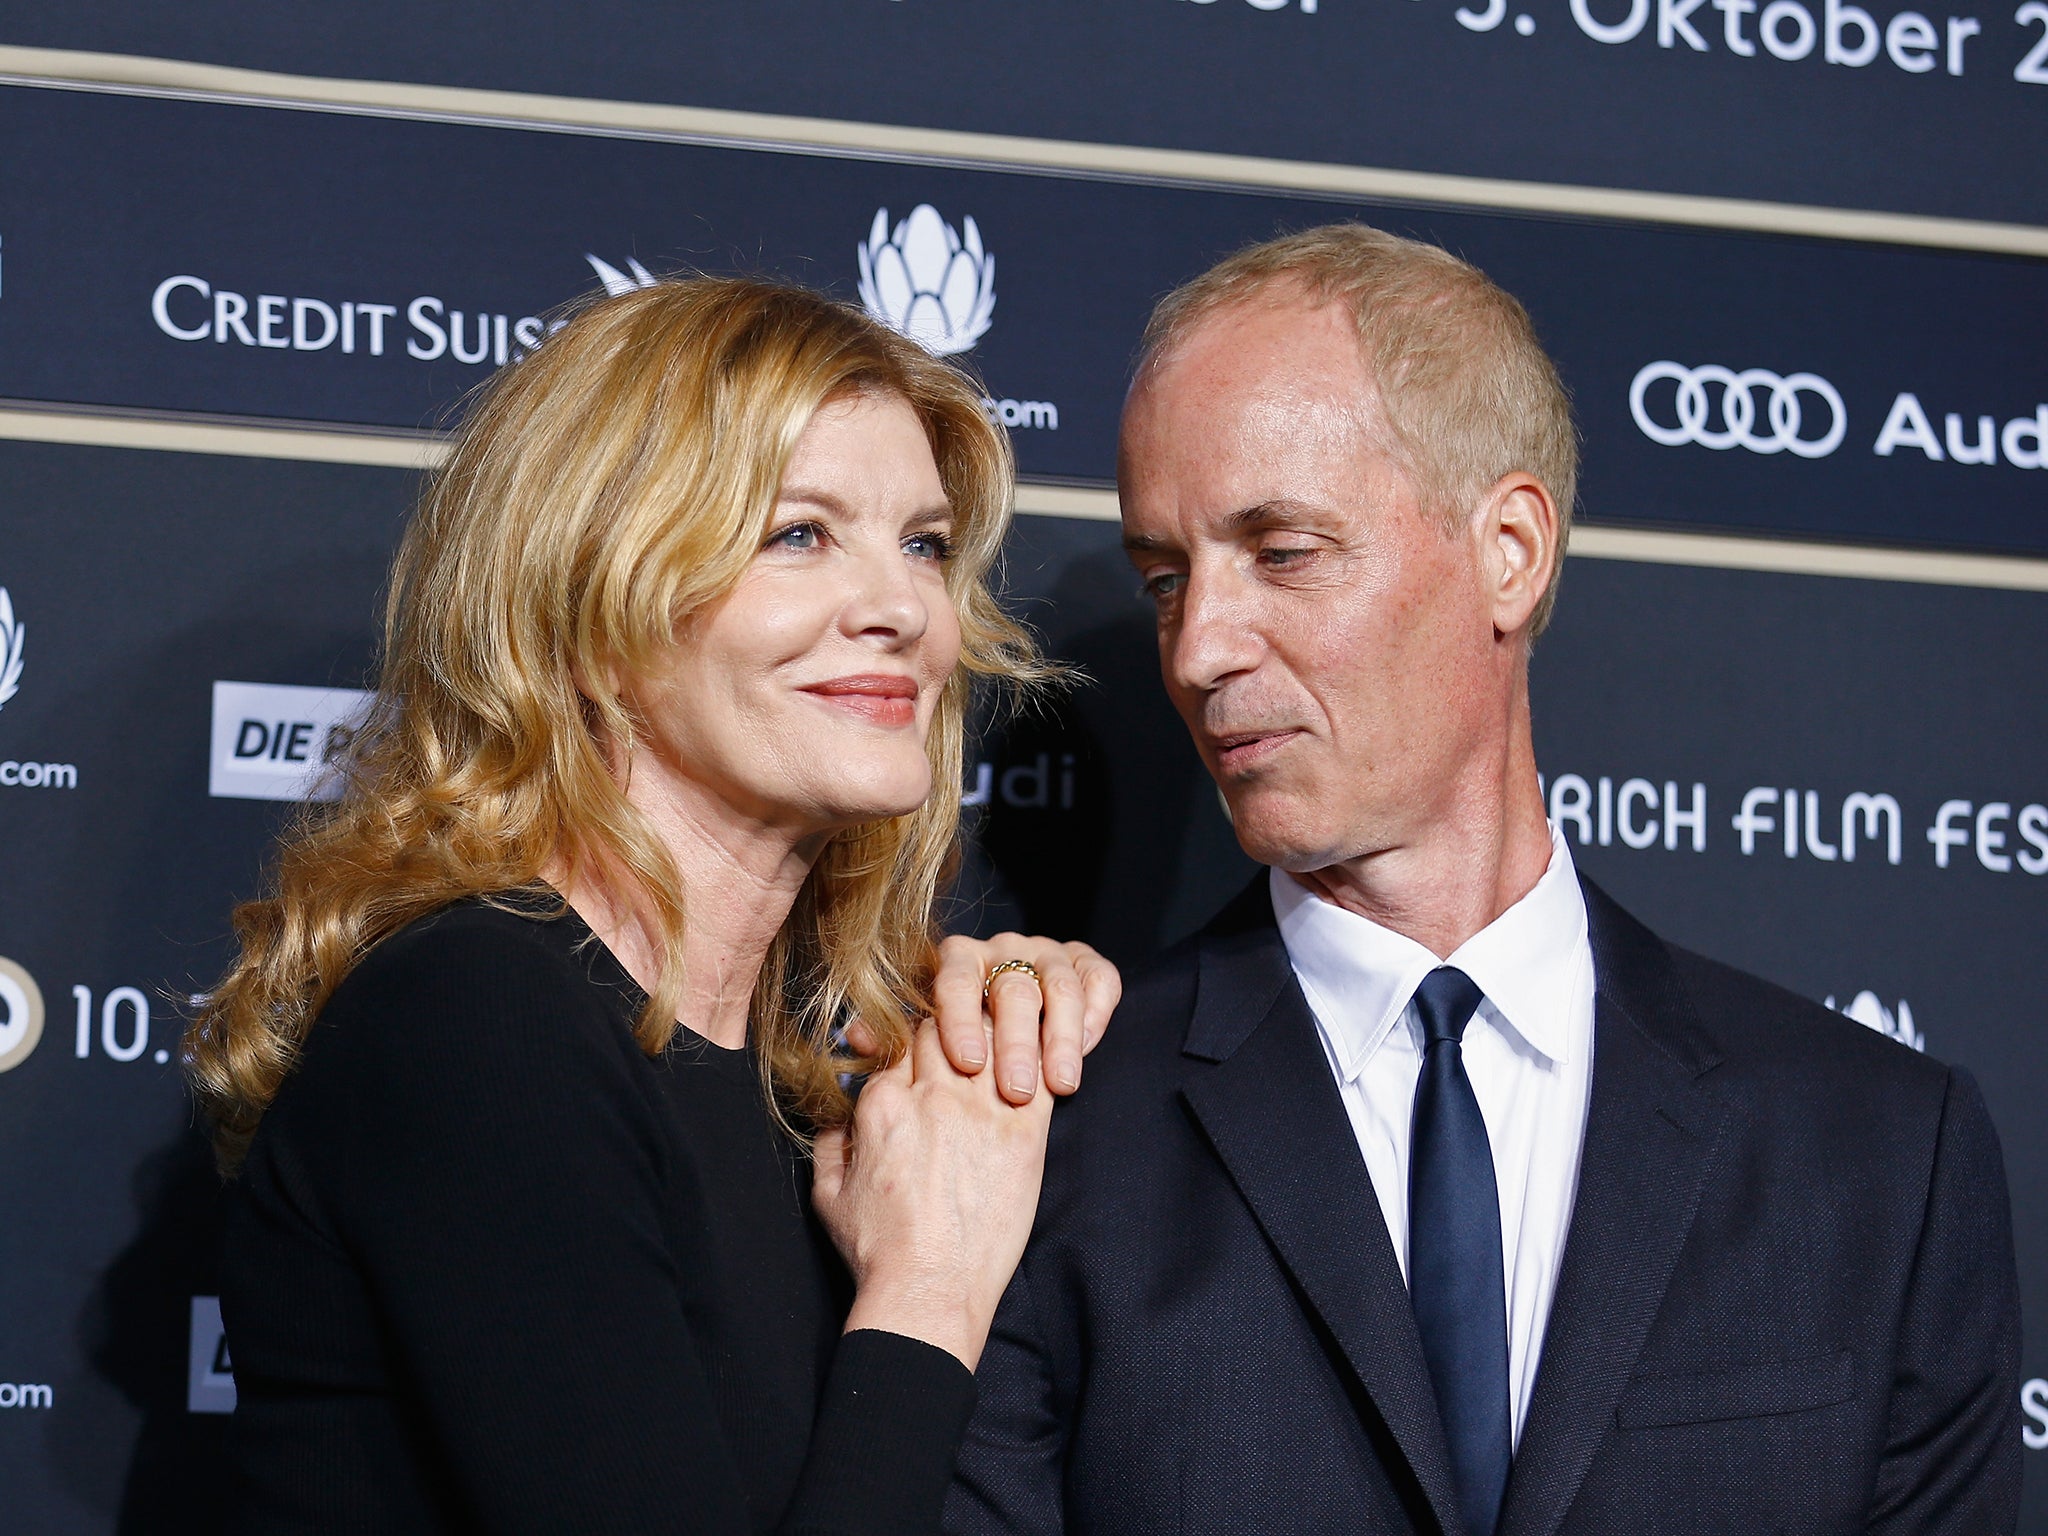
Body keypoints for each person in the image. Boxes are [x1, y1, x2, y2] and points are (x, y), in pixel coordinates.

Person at [947, 226, 2021, 1535]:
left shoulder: (1877, 1155)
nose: (1201, 648)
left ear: (1509, 552)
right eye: (1167, 579)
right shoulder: (1043, 1135)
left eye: (1283, 553)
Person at [185, 276, 1121, 1536]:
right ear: (591, 608)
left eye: (924, 544)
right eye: (797, 535)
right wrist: (929, 1292)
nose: (904, 609)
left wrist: (1007, 1019)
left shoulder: (796, 1066)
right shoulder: (481, 1023)